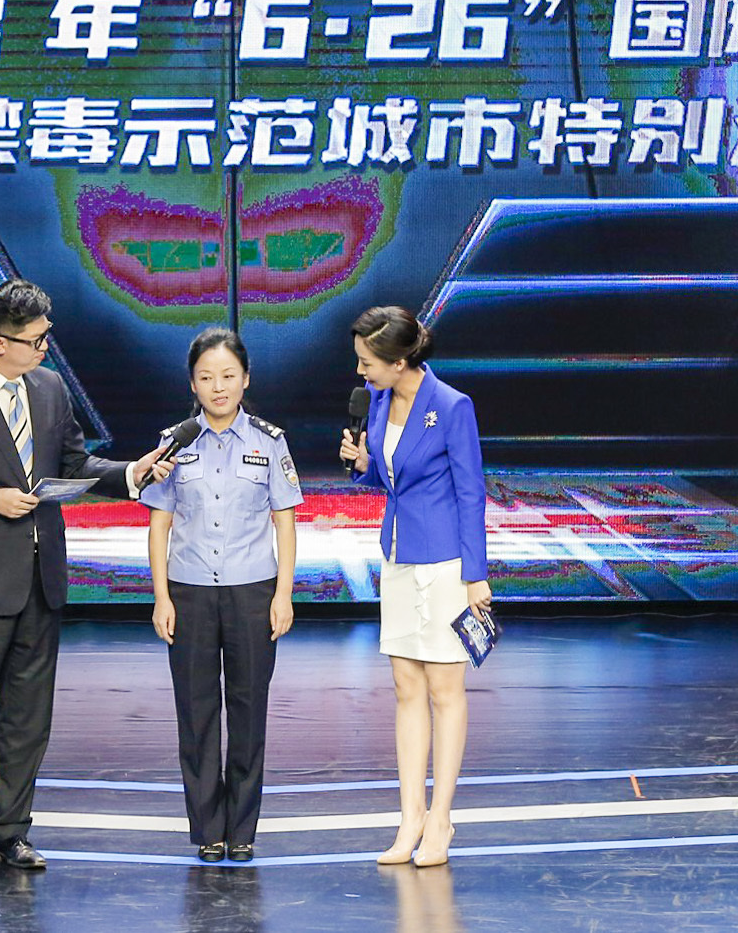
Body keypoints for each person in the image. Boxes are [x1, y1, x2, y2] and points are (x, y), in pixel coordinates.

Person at [0, 278, 178, 875]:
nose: (45, 347)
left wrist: (133, 473)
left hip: (40, 579)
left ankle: (10, 831)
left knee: (28, 717)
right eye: (35, 339)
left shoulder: (48, 388)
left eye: (46, 336)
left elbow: (74, 463)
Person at [336, 304, 490, 869]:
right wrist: (363, 464)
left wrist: (475, 575)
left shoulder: (451, 406)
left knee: (444, 691)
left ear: (399, 361)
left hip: (447, 562)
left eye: (367, 362)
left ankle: (441, 819)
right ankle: (411, 819)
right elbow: (392, 476)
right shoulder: (378, 402)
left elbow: (471, 491)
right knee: (406, 688)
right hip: (399, 556)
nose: (361, 372)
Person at [141, 326, 301, 863]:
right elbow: (159, 525)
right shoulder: (173, 442)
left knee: (249, 712)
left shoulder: (269, 441)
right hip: (188, 592)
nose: (218, 387)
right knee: (196, 712)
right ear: (192, 383)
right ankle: (208, 829)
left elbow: (284, 521)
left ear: (246, 378)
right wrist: (161, 597)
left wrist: (284, 594)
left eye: (228, 375)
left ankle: (242, 830)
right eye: (207, 377)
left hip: (253, 592)